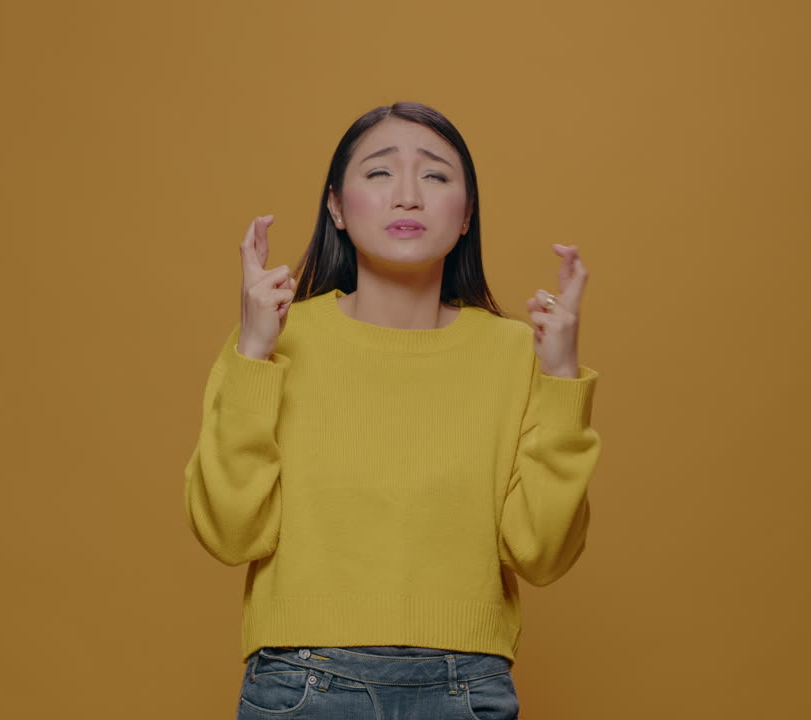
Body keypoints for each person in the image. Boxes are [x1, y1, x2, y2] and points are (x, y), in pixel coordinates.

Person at [183, 101, 600, 720]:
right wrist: (252, 352)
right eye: (379, 173)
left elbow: (541, 554)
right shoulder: (275, 336)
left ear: (467, 216)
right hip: (302, 680)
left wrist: (562, 376)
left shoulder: (517, 352)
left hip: (468, 684)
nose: (407, 195)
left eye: (435, 175)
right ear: (336, 207)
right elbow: (229, 532)